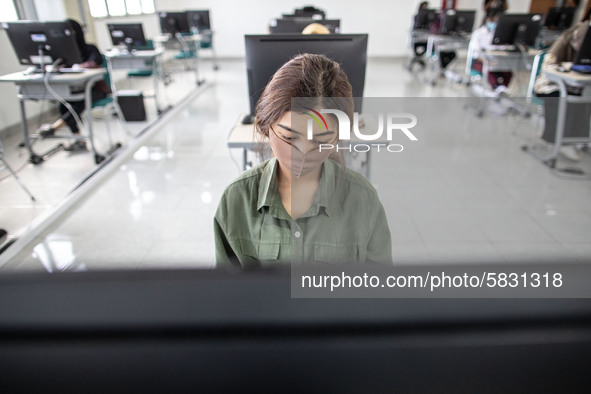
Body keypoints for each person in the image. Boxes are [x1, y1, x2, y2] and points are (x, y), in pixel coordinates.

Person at [214, 54, 392, 267]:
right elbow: (225, 294)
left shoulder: (364, 200)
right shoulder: (236, 200)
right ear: (265, 125)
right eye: (289, 137)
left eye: (321, 141)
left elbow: (379, 290)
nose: (304, 153)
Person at [39, 19, 110, 152]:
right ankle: (79, 140)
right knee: (63, 104)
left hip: (96, 90)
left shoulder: (90, 48)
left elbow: (96, 62)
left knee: (79, 103)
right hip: (75, 90)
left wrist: (79, 67)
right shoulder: (64, 53)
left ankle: (56, 127)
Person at [534, 9, 591, 161]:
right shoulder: (563, 43)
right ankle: (556, 139)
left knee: (584, 101)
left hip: (575, 86)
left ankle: (576, 138)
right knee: (565, 100)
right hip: (549, 85)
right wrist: (568, 67)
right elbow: (548, 66)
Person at [469, 7, 513, 93]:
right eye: (494, 20)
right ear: (487, 19)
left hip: (495, 59)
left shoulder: (499, 34)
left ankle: (503, 88)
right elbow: (476, 53)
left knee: (508, 70)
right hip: (480, 60)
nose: (495, 23)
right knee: (489, 67)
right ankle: (497, 87)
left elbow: (502, 48)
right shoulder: (478, 33)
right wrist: (486, 61)